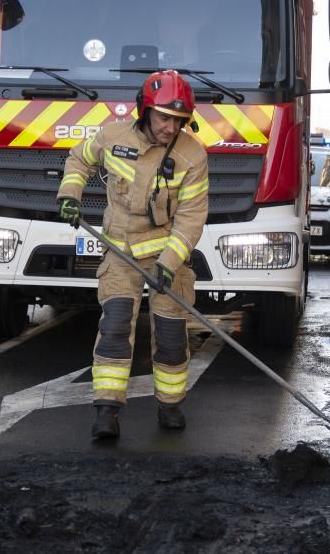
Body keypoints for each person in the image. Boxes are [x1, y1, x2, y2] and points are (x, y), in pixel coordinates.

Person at [56, 70, 209, 439]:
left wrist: (168, 265)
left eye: (178, 120)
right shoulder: (113, 136)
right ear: (144, 110)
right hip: (121, 252)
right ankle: (107, 410)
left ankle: (169, 406)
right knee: (115, 326)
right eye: (163, 117)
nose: (170, 127)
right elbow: (79, 159)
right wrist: (70, 196)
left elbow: (190, 219)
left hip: (165, 257)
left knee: (172, 336)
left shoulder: (193, 156)